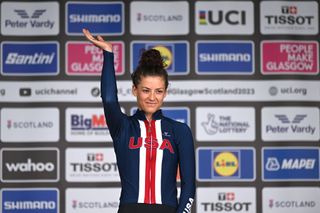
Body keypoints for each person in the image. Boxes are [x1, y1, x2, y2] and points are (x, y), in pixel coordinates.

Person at [83, 28, 195, 213]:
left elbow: (189, 186)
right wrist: (108, 53)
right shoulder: (123, 127)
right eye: (145, 90)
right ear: (135, 90)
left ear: (165, 93)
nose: (152, 97)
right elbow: (109, 99)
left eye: (158, 91)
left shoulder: (180, 131)